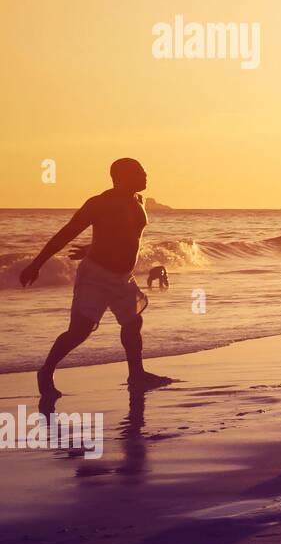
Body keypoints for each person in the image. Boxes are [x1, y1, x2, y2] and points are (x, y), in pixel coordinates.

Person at [19, 158, 170, 404]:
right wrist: (37, 263)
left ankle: (137, 375)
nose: (145, 176)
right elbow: (67, 232)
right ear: (120, 176)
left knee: (133, 323)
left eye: (145, 172)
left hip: (123, 277)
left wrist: (92, 246)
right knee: (79, 331)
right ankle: (46, 371)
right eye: (139, 173)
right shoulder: (99, 203)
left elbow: (123, 236)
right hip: (96, 276)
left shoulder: (139, 202)